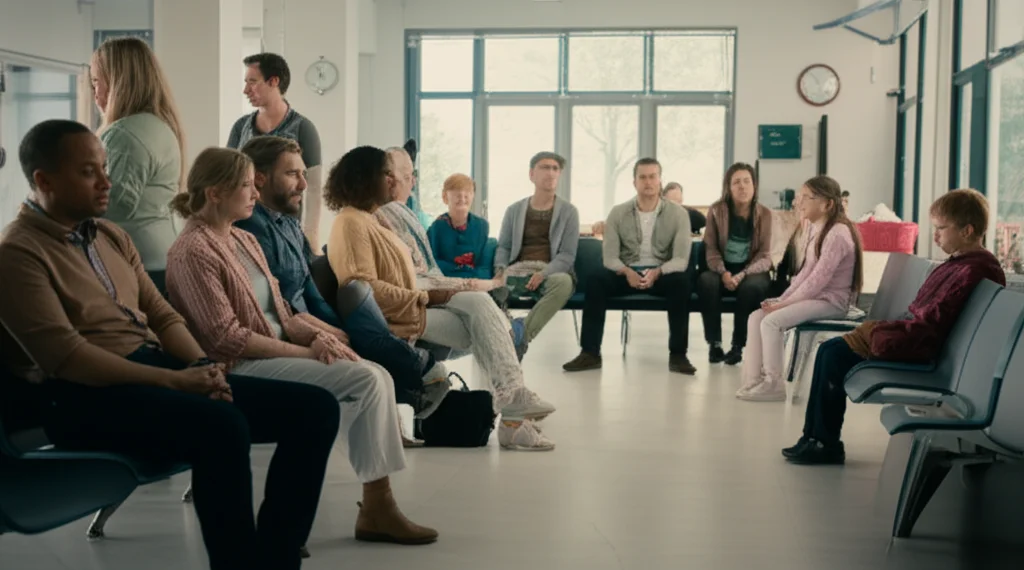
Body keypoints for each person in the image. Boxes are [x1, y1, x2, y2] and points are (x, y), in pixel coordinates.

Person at [0, 120, 340, 570]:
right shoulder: (19, 252)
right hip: (85, 396)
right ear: (43, 181)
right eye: (89, 172)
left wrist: (203, 366)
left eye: (104, 168)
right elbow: (69, 358)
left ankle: (275, 558)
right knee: (222, 426)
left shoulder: (109, 236)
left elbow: (162, 314)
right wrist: (177, 381)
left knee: (316, 410)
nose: (107, 182)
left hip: (153, 373)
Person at [164, 146, 439, 545]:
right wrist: (307, 353)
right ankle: (378, 507)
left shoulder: (242, 240)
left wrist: (318, 334)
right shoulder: (192, 251)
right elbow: (225, 338)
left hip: (270, 349)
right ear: (214, 194)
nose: (254, 194)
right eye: (245, 185)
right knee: (365, 380)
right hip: (236, 366)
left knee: (374, 374)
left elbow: (282, 309)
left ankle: (378, 504)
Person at [325, 145, 557, 451]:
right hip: (399, 315)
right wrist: (426, 297)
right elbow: (366, 290)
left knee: (481, 310)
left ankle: (512, 402)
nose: (394, 183)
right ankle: (513, 411)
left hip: (412, 305)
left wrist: (434, 293)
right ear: (366, 178)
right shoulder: (351, 222)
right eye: (387, 175)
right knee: (489, 326)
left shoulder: (367, 218)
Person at [783, 189, 1006, 465]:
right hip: (920, 341)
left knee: (833, 354)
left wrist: (877, 332)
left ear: (968, 230)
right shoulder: (962, 265)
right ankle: (815, 438)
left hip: (926, 352)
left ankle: (824, 442)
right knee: (830, 349)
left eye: (941, 229)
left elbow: (930, 326)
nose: (935, 236)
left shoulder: (972, 271)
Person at [234, 136, 448, 416]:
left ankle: (420, 372)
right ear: (259, 179)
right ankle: (422, 370)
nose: (303, 184)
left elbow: (308, 288)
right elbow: (280, 304)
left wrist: (340, 329)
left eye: (303, 173)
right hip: (291, 328)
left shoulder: (289, 224)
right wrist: (330, 333)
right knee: (358, 295)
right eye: (291, 174)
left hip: (314, 316)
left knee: (357, 294)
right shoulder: (249, 229)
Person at [562, 158, 696, 375]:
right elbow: (609, 257)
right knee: (596, 280)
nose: (648, 182)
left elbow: (681, 259)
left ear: (660, 181)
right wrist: (626, 271)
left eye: (653, 176)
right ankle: (590, 353)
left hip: (662, 273)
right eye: (642, 177)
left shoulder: (678, 214)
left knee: (681, 282)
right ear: (634, 182)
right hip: (627, 273)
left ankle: (678, 355)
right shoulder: (618, 212)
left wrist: (658, 272)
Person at [737, 176, 863, 402]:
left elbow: (818, 281)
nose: (798, 202)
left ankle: (774, 383)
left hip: (831, 303)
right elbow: (804, 274)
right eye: (799, 196)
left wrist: (783, 305)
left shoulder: (838, 233)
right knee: (757, 316)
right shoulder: (816, 228)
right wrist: (781, 299)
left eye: (806, 197)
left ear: (827, 204)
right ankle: (754, 380)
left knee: (771, 321)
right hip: (817, 298)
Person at [91, 37, 184, 270]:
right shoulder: (159, 126)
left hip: (137, 260)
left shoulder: (124, 133)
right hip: (160, 252)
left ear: (117, 83)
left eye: (96, 82)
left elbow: (114, 205)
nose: (95, 93)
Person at [227, 53, 323, 246]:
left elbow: (313, 187)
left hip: (286, 230)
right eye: (246, 82)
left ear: (274, 81)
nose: (246, 90)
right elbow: (228, 179)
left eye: (253, 82)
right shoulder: (241, 127)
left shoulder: (303, 128)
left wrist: (310, 237)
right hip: (245, 227)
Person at [494, 151, 579, 346]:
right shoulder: (514, 210)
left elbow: (567, 255)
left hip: (548, 274)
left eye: (555, 169)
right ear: (532, 174)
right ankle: (499, 342)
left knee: (564, 283)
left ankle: (520, 337)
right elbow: (504, 247)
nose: (550, 172)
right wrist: (499, 270)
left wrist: (543, 273)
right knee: (490, 287)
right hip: (517, 272)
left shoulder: (569, 212)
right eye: (545, 167)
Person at [697, 163, 773, 366]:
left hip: (752, 270)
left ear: (754, 185)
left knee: (753, 287)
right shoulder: (716, 210)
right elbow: (710, 248)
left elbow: (765, 255)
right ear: (728, 187)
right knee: (706, 281)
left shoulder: (765, 214)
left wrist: (742, 274)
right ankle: (715, 344)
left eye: (747, 181)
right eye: (736, 182)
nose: (742, 186)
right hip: (721, 268)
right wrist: (723, 272)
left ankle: (738, 346)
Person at [427, 173, 492, 279]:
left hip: (474, 282)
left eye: (467, 194)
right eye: (457, 194)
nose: (462, 197)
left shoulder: (482, 226)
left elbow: (484, 267)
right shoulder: (437, 227)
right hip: (446, 281)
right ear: (445, 197)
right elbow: (432, 263)